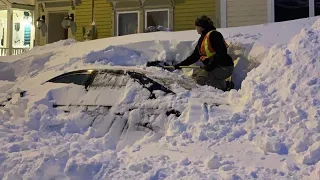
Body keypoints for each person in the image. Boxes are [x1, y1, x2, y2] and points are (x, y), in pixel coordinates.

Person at [174, 15, 234, 90]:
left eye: (196, 26)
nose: (195, 28)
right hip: (215, 68)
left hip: (224, 67)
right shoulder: (203, 38)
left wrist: (210, 66)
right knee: (196, 75)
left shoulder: (214, 35)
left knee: (200, 79)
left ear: (201, 27)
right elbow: (194, 57)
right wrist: (179, 65)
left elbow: (222, 52)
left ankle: (223, 87)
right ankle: (222, 84)